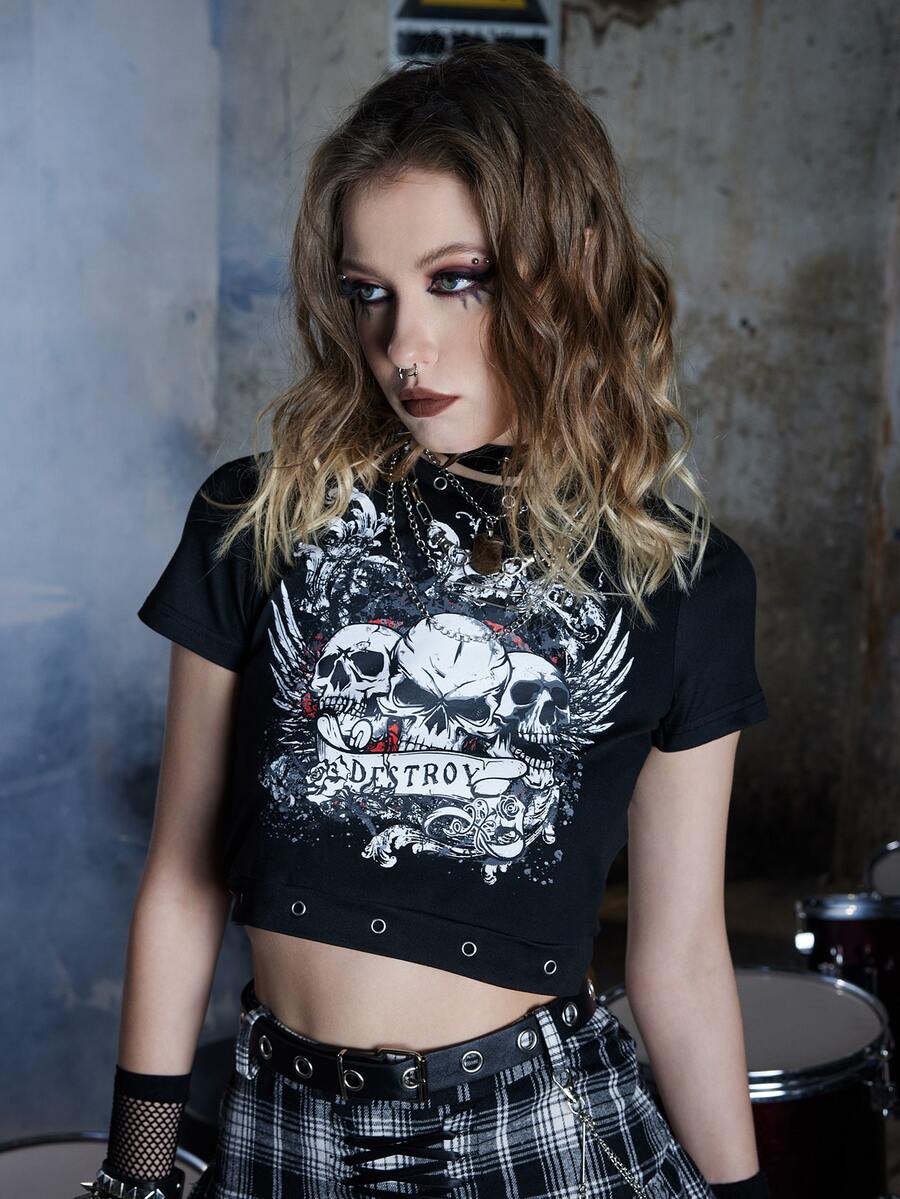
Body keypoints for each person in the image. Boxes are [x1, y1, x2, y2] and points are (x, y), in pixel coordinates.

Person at [78, 41, 773, 1199]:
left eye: (459, 278)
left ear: (571, 266)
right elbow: (183, 882)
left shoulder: (685, 578)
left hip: (540, 1138)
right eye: (371, 291)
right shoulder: (259, 517)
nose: (405, 346)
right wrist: (138, 1174)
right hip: (283, 1136)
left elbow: (683, 955)